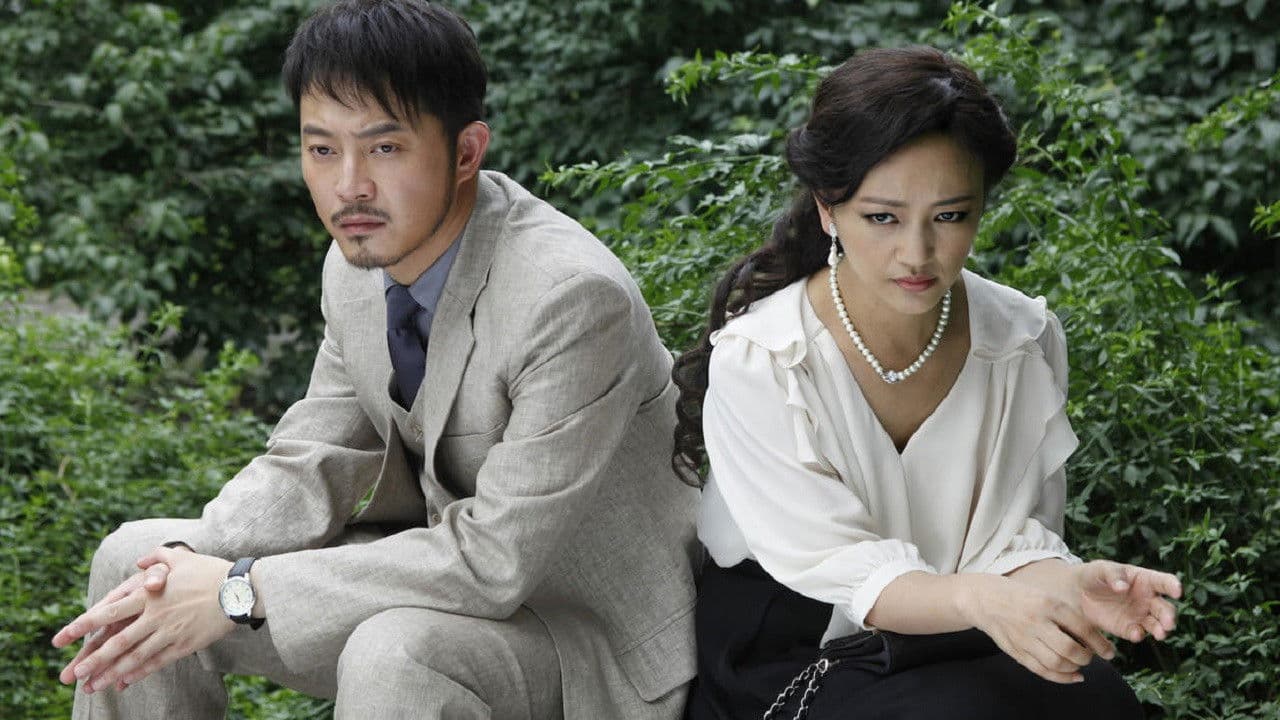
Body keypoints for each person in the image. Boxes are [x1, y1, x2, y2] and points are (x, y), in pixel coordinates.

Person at [51, 2, 698, 718]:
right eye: (322, 150)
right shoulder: (356, 264)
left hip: (586, 637)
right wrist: (185, 566)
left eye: (384, 148)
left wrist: (238, 590)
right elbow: (314, 456)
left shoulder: (569, 298)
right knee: (137, 564)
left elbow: (495, 560)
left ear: (466, 152)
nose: (349, 185)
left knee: (395, 653)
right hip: (439, 590)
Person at [672, 46, 1182, 720]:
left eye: (950, 216)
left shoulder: (1022, 340)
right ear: (828, 209)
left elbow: (1011, 542)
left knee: (1100, 703)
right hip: (798, 648)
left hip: (958, 636)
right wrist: (985, 601)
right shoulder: (764, 358)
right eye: (882, 217)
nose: (916, 254)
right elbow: (848, 576)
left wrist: (1068, 585)